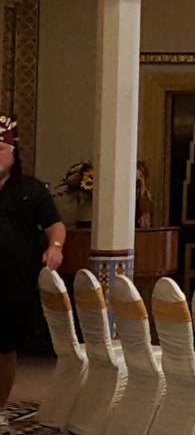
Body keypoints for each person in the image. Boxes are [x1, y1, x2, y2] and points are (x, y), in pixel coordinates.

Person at [0, 115, 64, 411]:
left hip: (14, 283)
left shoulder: (31, 189)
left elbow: (54, 225)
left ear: (13, 153)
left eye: (1, 148)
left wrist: (56, 247)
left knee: (4, 347)